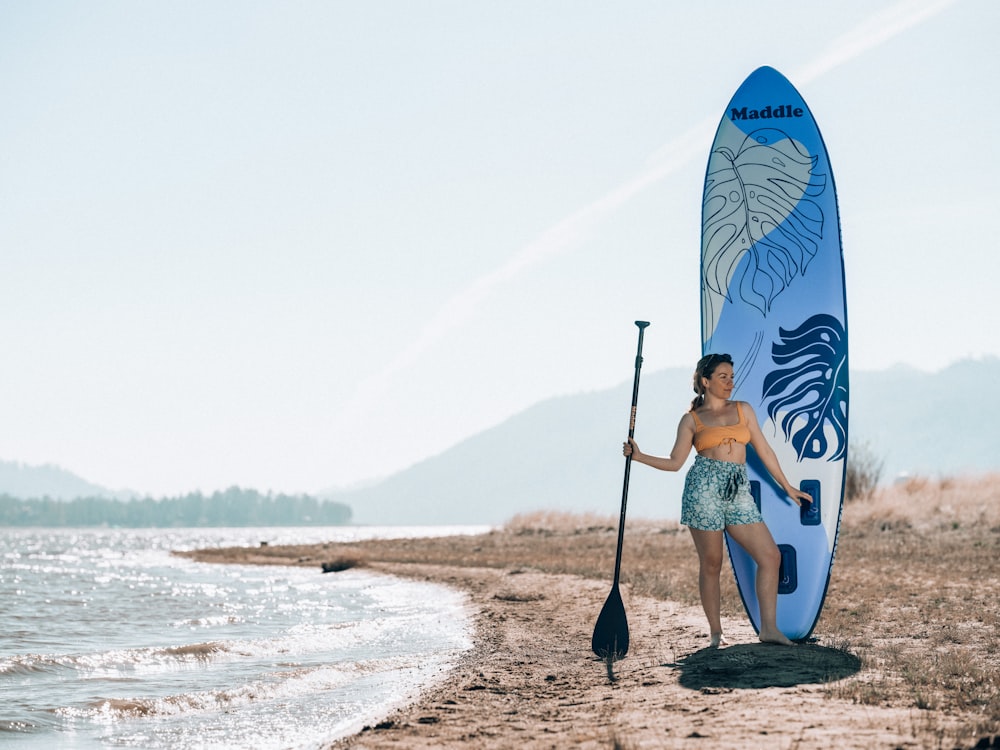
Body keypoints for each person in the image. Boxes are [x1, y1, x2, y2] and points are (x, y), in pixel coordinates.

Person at [623, 353, 812, 647]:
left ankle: (769, 629)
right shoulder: (692, 420)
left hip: (738, 488)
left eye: (732, 377)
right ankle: (716, 633)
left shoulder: (743, 410)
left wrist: (787, 486)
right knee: (712, 562)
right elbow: (675, 463)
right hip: (703, 489)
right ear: (705, 381)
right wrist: (639, 456)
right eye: (723, 377)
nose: (729, 382)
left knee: (771, 556)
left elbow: (764, 450)